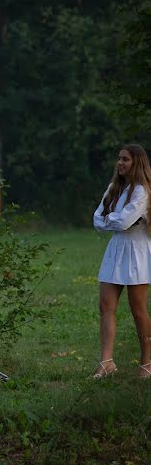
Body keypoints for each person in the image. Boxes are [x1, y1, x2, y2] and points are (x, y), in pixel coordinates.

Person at [91, 143, 151, 379]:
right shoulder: (114, 189)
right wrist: (112, 220)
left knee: (138, 309)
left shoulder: (142, 191)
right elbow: (97, 218)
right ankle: (106, 362)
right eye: (119, 159)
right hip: (116, 248)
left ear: (137, 162)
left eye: (125, 159)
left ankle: (147, 363)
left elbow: (124, 222)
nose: (120, 163)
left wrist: (111, 219)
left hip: (137, 251)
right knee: (105, 306)